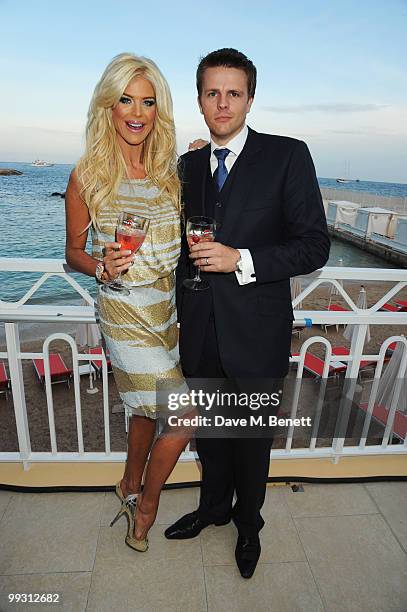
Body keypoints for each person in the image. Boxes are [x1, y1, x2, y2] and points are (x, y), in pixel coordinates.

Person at [165, 48, 330, 578]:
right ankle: (213, 508)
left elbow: (314, 247)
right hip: (200, 331)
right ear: (199, 99)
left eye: (234, 93)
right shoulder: (186, 166)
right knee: (212, 434)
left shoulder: (287, 155)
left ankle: (248, 524)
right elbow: (170, 247)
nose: (223, 103)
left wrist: (245, 260)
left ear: (250, 98)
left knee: (252, 439)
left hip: (257, 333)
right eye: (212, 92)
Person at [65, 53, 195, 553]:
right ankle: (146, 505)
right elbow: (72, 252)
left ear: (157, 110)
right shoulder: (88, 176)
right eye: (126, 100)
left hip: (166, 310)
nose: (137, 111)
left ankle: (126, 482)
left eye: (148, 101)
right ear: (109, 107)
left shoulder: (168, 173)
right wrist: (100, 265)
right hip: (122, 310)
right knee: (184, 415)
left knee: (145, 411)